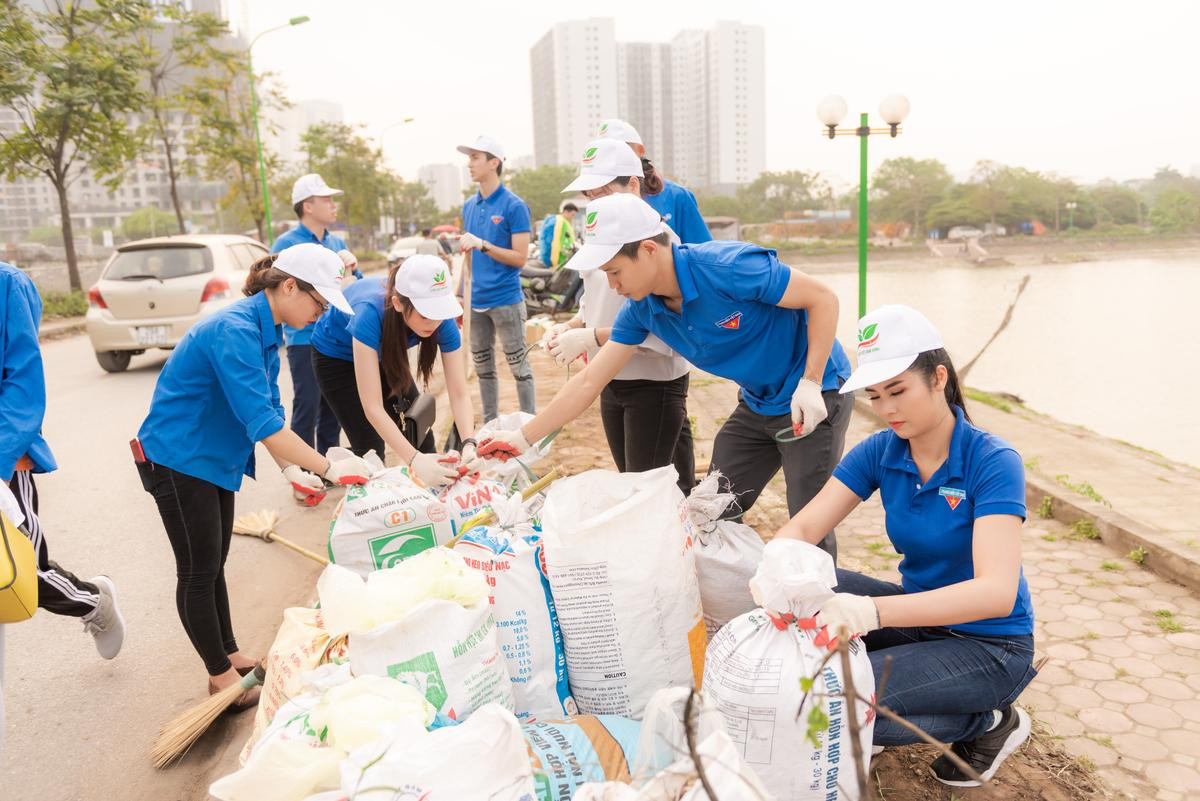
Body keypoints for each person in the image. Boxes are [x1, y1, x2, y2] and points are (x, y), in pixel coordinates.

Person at [474, 193, 852, 559]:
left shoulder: (727, 267)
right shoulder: (641, 310)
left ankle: (823, 616)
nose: (612, 285)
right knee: (709, 508)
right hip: (757, 403)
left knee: (808, 523)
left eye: (615, 271)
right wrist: (523, 437)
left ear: (649, 250)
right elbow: (590, 381)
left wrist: (811, 381)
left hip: (813, 395)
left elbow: (823, 299)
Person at [779, 304, 1037, 786]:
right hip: (922, 621)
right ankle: (882, 707)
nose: (888, 409)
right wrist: (776, 564)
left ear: (938, 378)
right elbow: (804, 527)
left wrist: (872, 614)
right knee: (811, 590)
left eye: (899, 390)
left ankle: (991, 720)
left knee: (839, 695)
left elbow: (996, 591)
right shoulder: (881, 451)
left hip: (990, 643)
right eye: (876, 396)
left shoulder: (992, 459)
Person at [133, 244, 372, 704]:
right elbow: (262, 423)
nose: (321, 315)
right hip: (179, 459)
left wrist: (293, 469)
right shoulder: (234, 330)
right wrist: (328, 468)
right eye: (319, 303)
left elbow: (269, 408)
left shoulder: (265, 327)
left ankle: (229, 654)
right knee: (198, 572)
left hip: (210, 459)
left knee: (213, 562)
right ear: (288, 287)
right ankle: (219, 675)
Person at [542, 138, 695, 494]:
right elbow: (590, 304)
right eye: (590, 195)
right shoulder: (597, 237)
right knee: (630, 481)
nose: (595, 203)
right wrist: (570, 326)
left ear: (633, 185)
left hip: (652, 381)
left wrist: (592, 336)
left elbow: (665, 331)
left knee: (648, 490)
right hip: (610, 377)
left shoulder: (656, 244)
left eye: (604, 192)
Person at [1, 261, 125, 660]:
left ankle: (92, 602)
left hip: (3, 462)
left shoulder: (7, 285)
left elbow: (22, 382)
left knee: (20, 574)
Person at [310, 255, 476, 486]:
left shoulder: (441, 319)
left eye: (438, 313)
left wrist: (469, 443)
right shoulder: (369, 312)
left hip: (385, 352)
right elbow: (373, 407)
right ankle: (377, 511)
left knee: (419, 432)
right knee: (370, 448)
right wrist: (414, 459)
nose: (434, 323)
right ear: (398, 303)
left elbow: (459, 392)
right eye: (426, 314)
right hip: (337, 357)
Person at [272, 174, 364, 468]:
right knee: (307, 404)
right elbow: (277, 291)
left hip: (334, 339)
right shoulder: (286, 243)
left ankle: (330, 465)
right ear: (307, 206)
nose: (333, 205)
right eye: (326, 200)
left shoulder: (336, 241)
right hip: (302, 338)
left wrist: (354, 267)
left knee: (332, 407)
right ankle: (303, 467)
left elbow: (352, 287)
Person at [456, 135, 535, 421]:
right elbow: (467, 254)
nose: (470, 164)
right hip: (476, 301)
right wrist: (459, 292)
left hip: (505, 299)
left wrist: (483, 245)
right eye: (469, 158)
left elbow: (520, 257)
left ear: (494, 162)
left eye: (476, 157)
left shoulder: (514, 206)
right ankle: (490, 425)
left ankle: (530, 425)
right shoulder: (469, 206)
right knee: (483, 369)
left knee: (520, 368)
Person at [597, 118, 712, 244]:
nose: (613, 158)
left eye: (620, 149)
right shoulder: (599, 200)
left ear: (640, 151)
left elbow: (702, 251)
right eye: (605, 152)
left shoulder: (677, 196)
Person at [539, 202, 579, 268]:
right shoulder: (558, 221)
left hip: (563, 258)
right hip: (556, 259)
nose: (573, 217)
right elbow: (551, 239)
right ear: (566, 211)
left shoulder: (564, 222)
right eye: (572, 215)